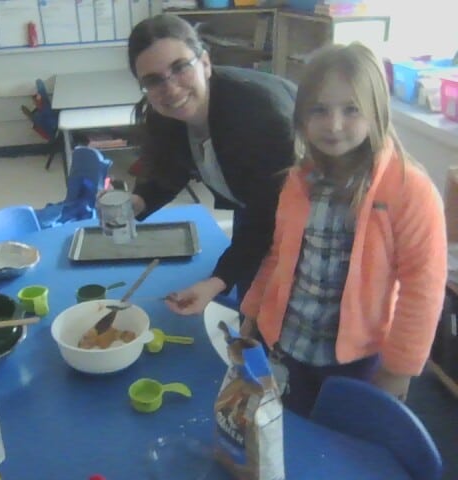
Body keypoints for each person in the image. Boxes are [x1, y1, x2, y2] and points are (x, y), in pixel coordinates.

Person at [240, 42, 447, 416]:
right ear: (302, 116)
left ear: (376, 111)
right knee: (293, 431)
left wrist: (398, 369)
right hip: (289, 345)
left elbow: (423, 287)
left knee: (348, 439)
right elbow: (279, 255)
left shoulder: (409, 190)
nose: (334, 125)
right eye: (319, 110)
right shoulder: (298, 181)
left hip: (358, 359)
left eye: (351, 109)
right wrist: (253, 311)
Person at [126, 14, 296, 314]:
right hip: (254, 202)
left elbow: (266, 219)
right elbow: (171, 165)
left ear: (205, 63)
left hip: (305, 213)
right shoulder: (166, 113)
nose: (170, 88)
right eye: (153, 80)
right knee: (247, 296)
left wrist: (218, 280)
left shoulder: (260, 118)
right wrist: (139, 200)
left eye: (180, 67)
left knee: (274, 310)